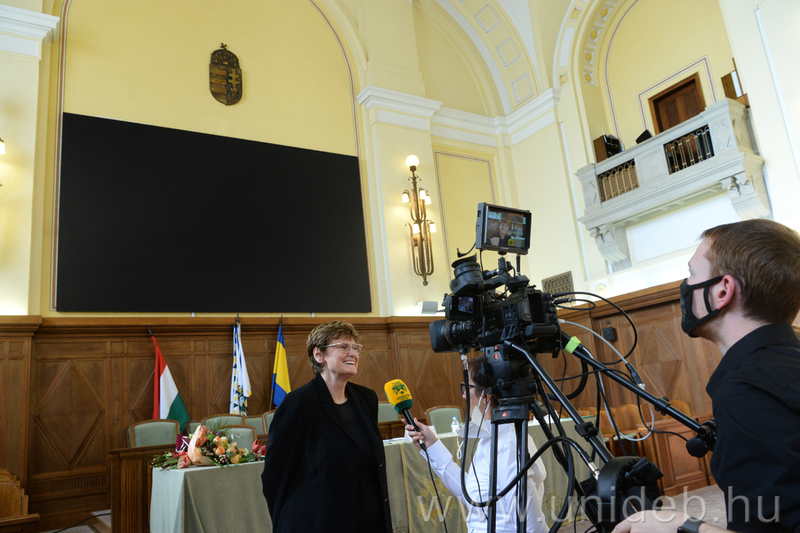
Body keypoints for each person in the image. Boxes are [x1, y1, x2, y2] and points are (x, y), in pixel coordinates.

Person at [645, 219, 800, 533]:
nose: (686, 286)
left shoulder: (746, 391)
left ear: (722, 290)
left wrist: (680, 526)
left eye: (692, 274)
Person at [261, 321, 392, 533]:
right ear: (319, 355)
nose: (353, 353)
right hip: (318, 523)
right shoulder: (298, 403)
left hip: (369, 521)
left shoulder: (366, 398)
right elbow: (276, 474)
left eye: (355, 347)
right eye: (343, 346)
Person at [404, 355, 548, 533]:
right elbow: (472, 495)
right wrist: (432, 445)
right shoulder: (492, 436)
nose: (463, 395)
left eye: (467, 387)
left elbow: (531, 524)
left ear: (486, 396)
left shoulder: (506, 444)